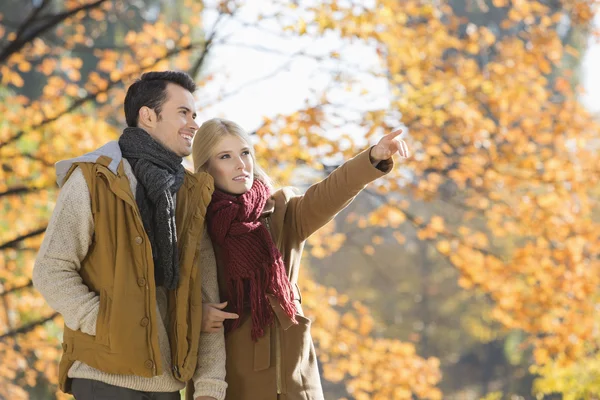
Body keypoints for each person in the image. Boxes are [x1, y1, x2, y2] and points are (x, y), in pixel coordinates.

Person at [33, 71, 227, 400]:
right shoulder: (96, 179)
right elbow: (50, 269)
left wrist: (209, 387)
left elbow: (204, 296)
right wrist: (106, 323)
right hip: (103, 378)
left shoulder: (190, 196)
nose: (194, 124)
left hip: (167, 384)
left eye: (195, 115)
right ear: (148, 116)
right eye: (183, 113)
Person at [187, 118, 409, 400]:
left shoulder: (282, 210)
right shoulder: (193, 222)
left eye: (245, 153)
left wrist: (372, 158)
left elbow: (329, 194)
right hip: (230, 377)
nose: (240, 164)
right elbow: (173, 292)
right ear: (206, 166)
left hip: (293, 377)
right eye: (225, 156)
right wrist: (195, 314)